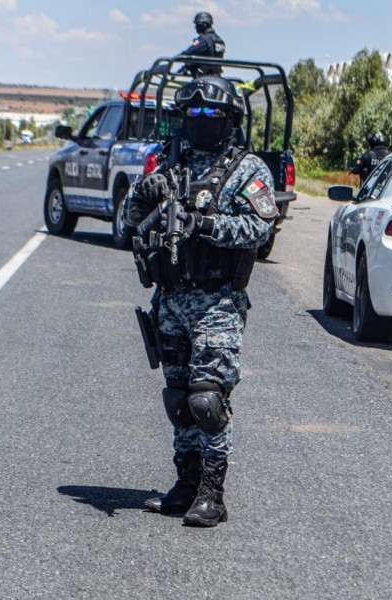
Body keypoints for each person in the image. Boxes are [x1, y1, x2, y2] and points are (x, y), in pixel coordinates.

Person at [124, 75, 278, 527]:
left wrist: (206, 226)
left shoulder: (248, 170)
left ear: (229, 120)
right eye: (192, 114)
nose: (201, 122)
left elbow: (260, 229)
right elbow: (128, 223)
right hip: (170, 300)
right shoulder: (171, 165)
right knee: (177, 399)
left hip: (217, 302)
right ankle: (185, 485)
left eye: (211, 114)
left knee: (206, 402)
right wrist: (143, 195)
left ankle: (213, 493)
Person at [179, 12, 226, 76]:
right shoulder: (219, 40)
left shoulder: (204, 40)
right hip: (216, 77)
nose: (195, 27)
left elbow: (188, 53)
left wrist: (175, 58)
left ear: (204, 24)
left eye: (197, 24)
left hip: (204, 77)